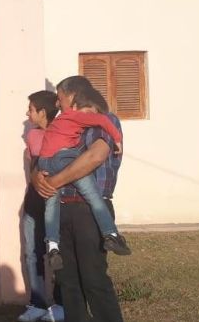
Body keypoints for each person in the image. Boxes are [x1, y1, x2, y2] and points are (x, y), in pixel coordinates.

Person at [32, 76, 125, 322]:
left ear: (72, 95)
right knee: (68, 282)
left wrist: (52, 181)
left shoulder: (104, 122)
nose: (58, 103)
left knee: (94, 279)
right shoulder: (63, 123)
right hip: (63, 208)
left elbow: (94, 157)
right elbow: (44, 155)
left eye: (60, 98)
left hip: (89, 211)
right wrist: (36, 177)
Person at [40, 86, 130, 268]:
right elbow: (100, 121)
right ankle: (111, 234)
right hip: (62, 159)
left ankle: (52, 246)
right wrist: (117, 139)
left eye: (60, 98)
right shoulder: (75, 115)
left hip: (45, 162)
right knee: (93, 195)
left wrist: (44, 179)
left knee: (51, 202)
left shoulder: (56, 122)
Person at [18, 90, 64, 322]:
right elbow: (35, 165)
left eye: (31, 109)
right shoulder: (34, 135)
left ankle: (60, 303)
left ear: (42, 112)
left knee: (57, 253)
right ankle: (37, 302)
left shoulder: (63, 133)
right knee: (31, 253)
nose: (28, 113)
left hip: (56, 202)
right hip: (34, 202)